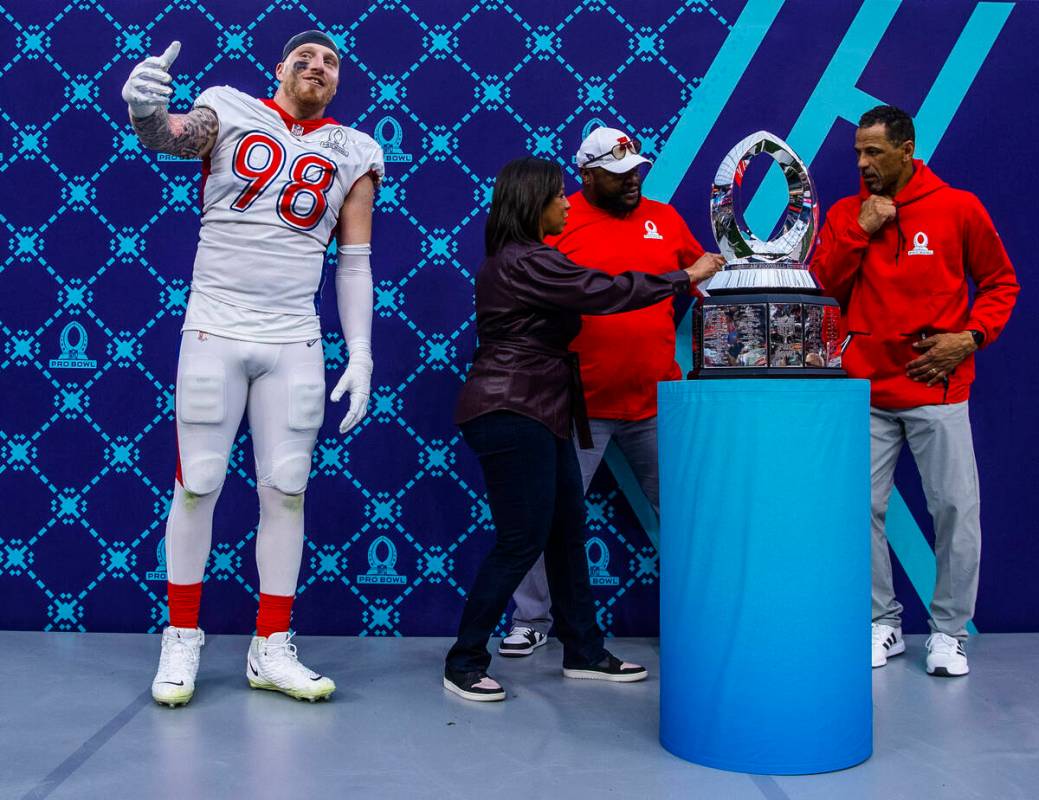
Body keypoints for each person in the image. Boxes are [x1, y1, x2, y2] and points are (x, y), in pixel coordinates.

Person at [121, 31, 384, 705]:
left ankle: (271, 646)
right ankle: (180, 635)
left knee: (287, 488)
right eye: (306, 56)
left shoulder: (354, 150)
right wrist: (146, 110)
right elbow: (171, 135)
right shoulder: (229, 109)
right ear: (279, 68)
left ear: (337, 82)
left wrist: (360, 351)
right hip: (215, 326)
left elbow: (353, 260)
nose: (317, 66)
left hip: (292, 336)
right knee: (198, 483)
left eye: (330, 62)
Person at [445, 157, 724, 701]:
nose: (567, 203)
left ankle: (584, 651)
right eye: (557, 197)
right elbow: (605, 291)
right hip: (512, 412)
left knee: (567, 534)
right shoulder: (525, 261)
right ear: (533, 204)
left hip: (545, 411)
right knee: (521, 540)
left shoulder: (535, 258)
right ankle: (464, 659)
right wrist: (681, 277)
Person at [812, 105, 1018, 677]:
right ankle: (883, 624)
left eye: (874, 151)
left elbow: (1002, 282)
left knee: (955, 511)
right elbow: (821, 284)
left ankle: (950, 633)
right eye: (857, 152)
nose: (862, 162)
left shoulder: (958, 207)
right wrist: (861, 229)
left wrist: (971, 337)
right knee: (856, 510)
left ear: (907, 149)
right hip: (866, 390)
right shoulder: (847, 213)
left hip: (939, 388)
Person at [499, 126, 708, 658]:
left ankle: (704, 613)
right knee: (545, 514)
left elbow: (702, 280)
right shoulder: (558, 220)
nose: (631, 182)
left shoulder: (665, 219)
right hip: (576, 406)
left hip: (655, 401)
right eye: (617, 176)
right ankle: (531, 618)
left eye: (635, 170)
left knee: (687, 512)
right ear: (587, 176)